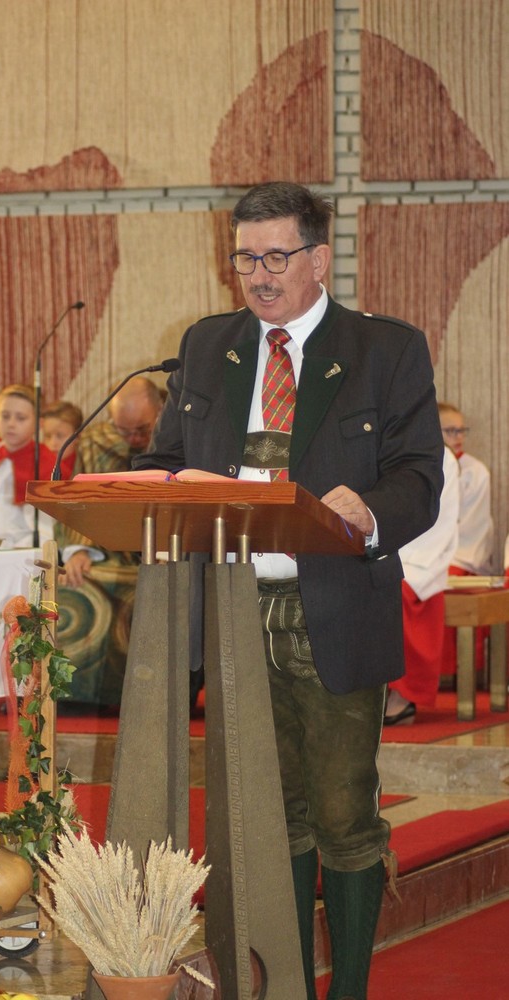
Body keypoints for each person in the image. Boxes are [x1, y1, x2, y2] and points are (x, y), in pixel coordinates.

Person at [132, 181, 444, 999]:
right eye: (245, 259)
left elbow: (418, 477)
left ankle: (349, 989)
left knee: (342, 813)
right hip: (231, 610)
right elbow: (165, 461)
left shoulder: (383, 349)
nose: (259, 276)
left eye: (276, 257)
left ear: (318, 258)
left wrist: (367, 510)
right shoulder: (208, 345)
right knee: (271, 816)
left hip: (332, 604)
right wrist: (153, 487)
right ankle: (289, 985)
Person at [55, 378, 163, 705]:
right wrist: (79, 550)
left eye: (142, 429)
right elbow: (81, 501)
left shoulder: (183, 435)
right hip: (109, 550)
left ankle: (153, 696)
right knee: (74, 582)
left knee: (164, 587)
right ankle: (82, 699)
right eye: (123, 430)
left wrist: (169, 548)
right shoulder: (95, 442)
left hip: (166, 548)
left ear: (161, 410)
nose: (134, 439)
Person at [385, 446, 460, 724]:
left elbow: (440, 516)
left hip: (421, 555)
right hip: (379, 545)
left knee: (395, 590)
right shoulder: (379, 441)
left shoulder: (441, 455)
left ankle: (401, 695)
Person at [438, 402, 494, 678]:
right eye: (450, 431)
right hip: (427, 555)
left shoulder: (474, 472)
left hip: (461, 556)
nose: (458, 437)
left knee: (436, 583)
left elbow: (471, 528)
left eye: (461, 430)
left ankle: (446, 671)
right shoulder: (423, 467)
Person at [0, 383, 56, 548]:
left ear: (39, 423)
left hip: (27, 549)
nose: (11, 424)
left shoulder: (46, 464)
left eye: (21, 418)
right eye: (5, 416)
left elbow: (46, 529)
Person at [40, 399, 83, 479]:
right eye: (47, 436)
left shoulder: (86, 464)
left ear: (77, 436)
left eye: (60, 436)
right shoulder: (36, 463)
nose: (53, 443)